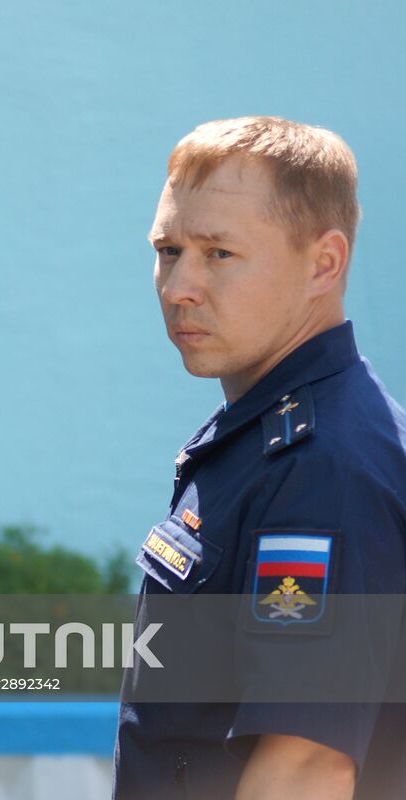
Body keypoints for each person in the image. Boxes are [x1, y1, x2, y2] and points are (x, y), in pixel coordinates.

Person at [114, 117, 406, 799]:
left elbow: (305, 768)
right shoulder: (262, 434)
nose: (179, 286)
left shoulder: (322, 467)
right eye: (168, 250)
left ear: (323, 264)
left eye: (219, 253)